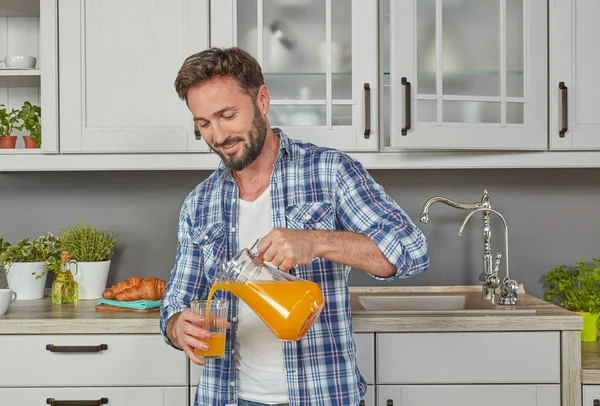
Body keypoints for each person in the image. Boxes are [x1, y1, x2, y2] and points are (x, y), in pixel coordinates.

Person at [159, 47, 430, 406]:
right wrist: (178, 327)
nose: (219, 135)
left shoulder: (329, 171)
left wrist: (316, 242)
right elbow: (176, 298)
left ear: (263, 99)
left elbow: (411, 249)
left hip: (321, 395)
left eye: (227, 115)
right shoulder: (199, 203)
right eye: (204, 124)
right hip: (226, 397)